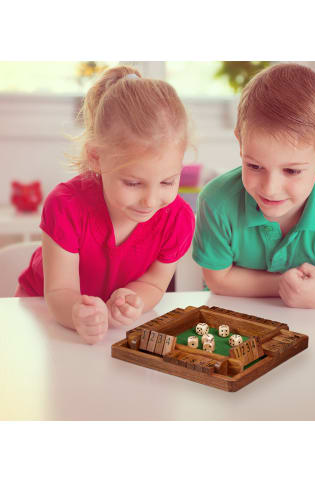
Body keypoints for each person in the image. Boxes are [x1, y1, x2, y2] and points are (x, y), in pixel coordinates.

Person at [16, 65, 195, 343]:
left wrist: (134, 299)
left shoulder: (178, 220)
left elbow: (155, 283)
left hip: (108, 332)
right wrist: (76, 312)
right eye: (133, 183)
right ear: (96, 157)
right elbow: (59, 292)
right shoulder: (66, 206)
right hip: (39, 317)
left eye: (168, 182)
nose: (150, 200)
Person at [192, 63, 315, 309]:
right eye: (255, 166)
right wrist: (310, 278)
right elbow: (218, 279)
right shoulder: (217, 201)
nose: (270, 189)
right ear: (241, 143)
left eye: (291, 171)